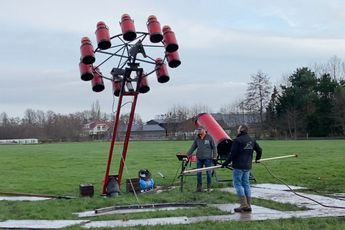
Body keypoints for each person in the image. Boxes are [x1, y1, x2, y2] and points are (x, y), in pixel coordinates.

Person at [222, 124, 262, 212]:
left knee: (237, 184)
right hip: (247, 166)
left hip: (238, 166)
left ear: (241, 130)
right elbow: (259, 150)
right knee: (246, 184)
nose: (237, 130)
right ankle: (248, 205)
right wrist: (257, 159)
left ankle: (243, 205)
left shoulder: (237, 140)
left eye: (238, 128)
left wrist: (225, 163)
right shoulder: (252, 140)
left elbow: (233, 154)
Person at [186, 126, 217, 192]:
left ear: (204, 130)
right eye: (198, 130)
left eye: (200, 129)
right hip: (199, 159)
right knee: (198, 173)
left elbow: (214, 147)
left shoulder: (209, 137)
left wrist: (214, 156)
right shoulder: (197, 138)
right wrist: (187, 155)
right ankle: (199, 188)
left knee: (208, 173)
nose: (199, 131)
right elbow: (193, 147)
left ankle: (209, 188)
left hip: (208, 159)